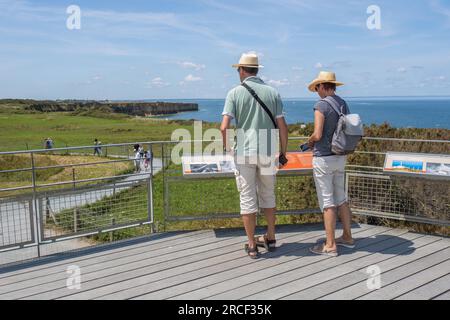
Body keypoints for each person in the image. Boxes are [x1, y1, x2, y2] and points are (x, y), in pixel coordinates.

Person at [220, 52, 289, 259]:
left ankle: (251, 245)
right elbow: (283, 127)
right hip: (268, 149)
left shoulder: (234, 93)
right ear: (257, 70)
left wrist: (228, 149)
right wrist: (283, 152)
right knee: (268, 195)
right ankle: (271, 236)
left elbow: (224, 127)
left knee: (247, 199)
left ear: (241, 70)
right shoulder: (272, 92)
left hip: (244, 152)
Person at [306, 71, 355, 257]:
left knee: (327, 202)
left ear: (322, 86)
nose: (316, 91)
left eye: (317, 87)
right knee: (341, 197)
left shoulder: (321, 105)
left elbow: (317, 134)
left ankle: (330, 244)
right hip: (340, 156)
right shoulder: (342, 103)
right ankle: (348, 237)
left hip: (324, 158)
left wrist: (309, 141)